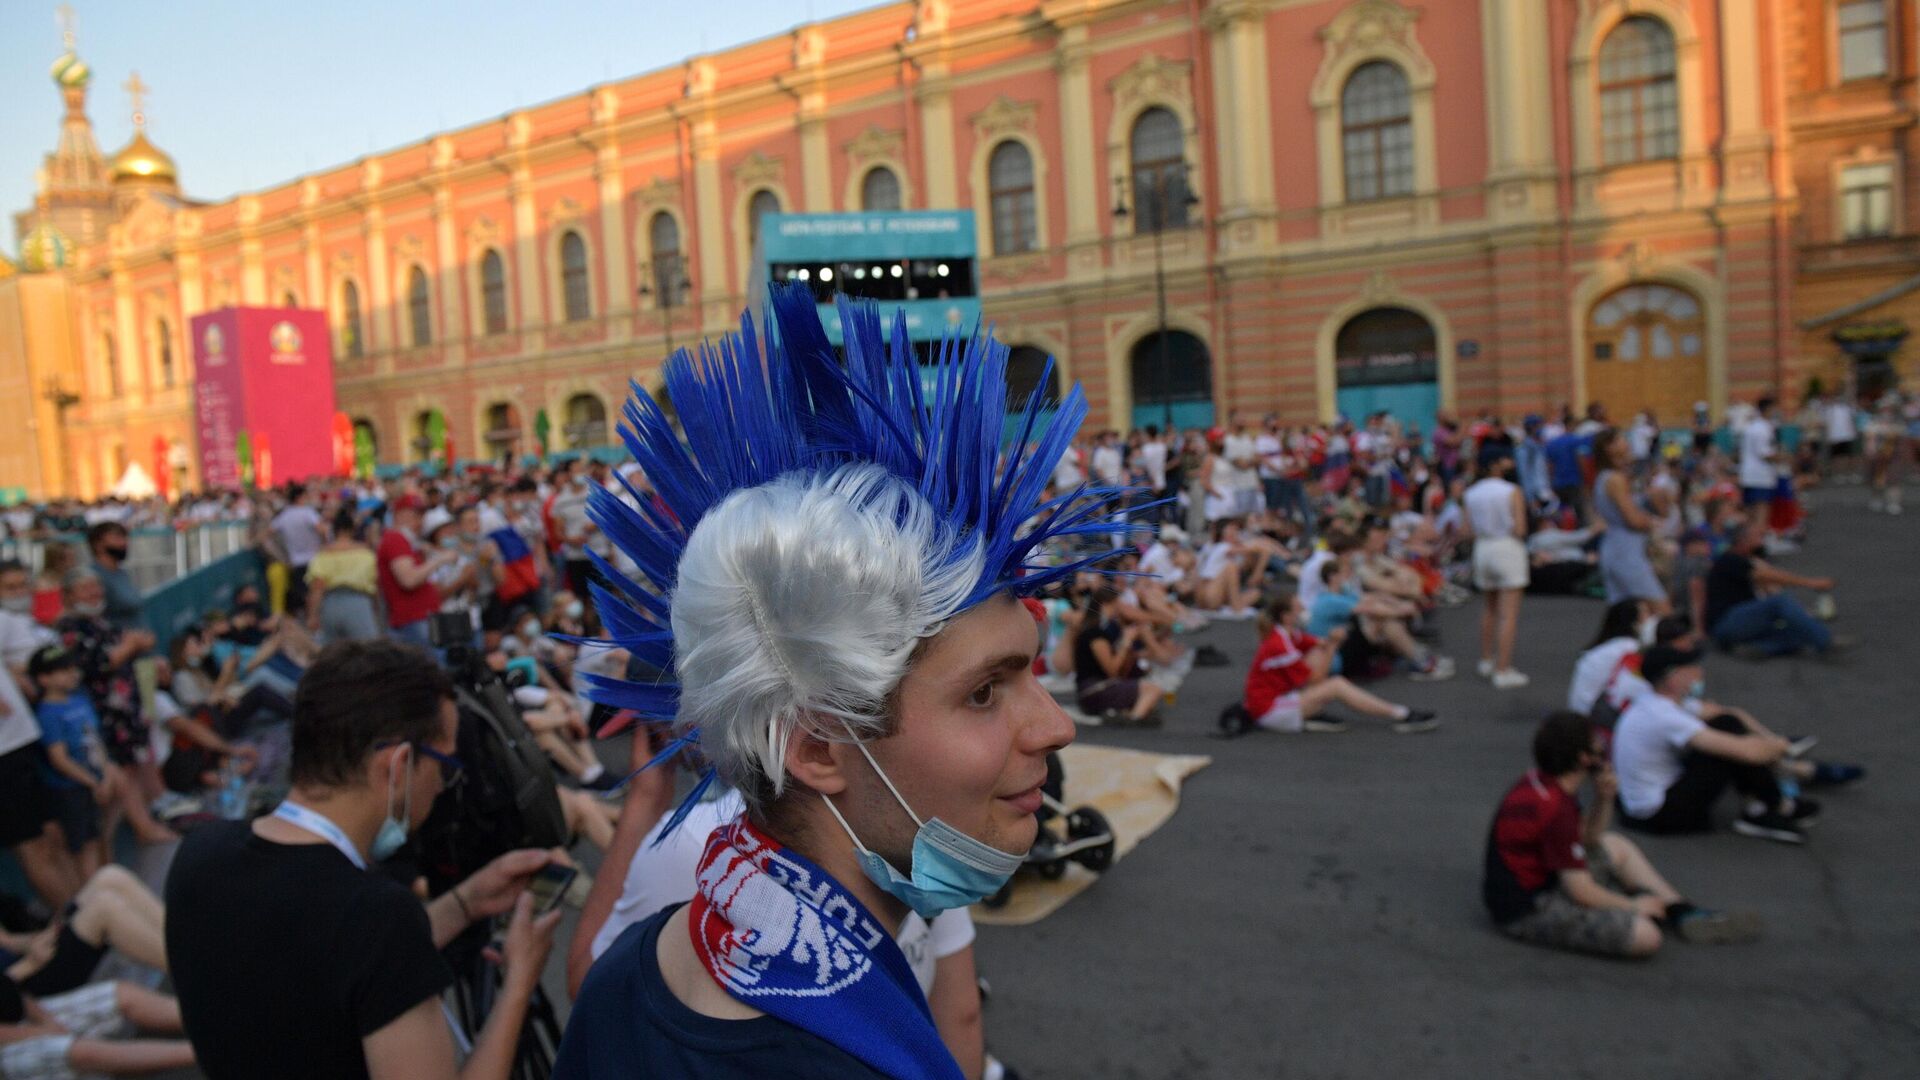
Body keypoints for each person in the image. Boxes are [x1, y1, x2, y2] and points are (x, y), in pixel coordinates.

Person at [559, 284, 1123, 1078]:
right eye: (984, 692)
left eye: (1029, 670)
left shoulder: (633, 970)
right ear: (819, 746)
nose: (1056, 726)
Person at [164, 640, 563, 1080]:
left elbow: (330, 969)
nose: (442, 785)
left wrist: (465, 902)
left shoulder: (199, 855)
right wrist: (520, 980)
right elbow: (361, 947)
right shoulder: (375, 915)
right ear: (397, 766)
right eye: (444, 765)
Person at [1483, 711, 1762, 958]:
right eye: (1594, 743)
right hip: (1527, 909)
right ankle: (1641, 904)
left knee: (1616, 845)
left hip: (1543, 878)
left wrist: (1604, 799)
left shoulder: (1544, 782)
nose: (1601, 747)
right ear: (1583, 758)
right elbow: (1580, 891)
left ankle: (1681, 911)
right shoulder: (1556, 808)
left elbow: (1588, 839)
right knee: (1646, 937)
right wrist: (1632, 906)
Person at [1612, 644, 1813, 843]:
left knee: (1727, 724)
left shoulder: (1655, 701)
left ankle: (1767, 805)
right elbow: (1747, 752)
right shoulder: (1664, 716)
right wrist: (1781, 746)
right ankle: (1770, 807)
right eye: (1690, 669)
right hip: (1658, 815)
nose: (1698, 673)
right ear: (1672, 678)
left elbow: (1730, 716)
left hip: (1643, 801)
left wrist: (1769, 742)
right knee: (1727, 749)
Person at [1241, 594, 1436, 735]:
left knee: (1317, 655)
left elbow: (1318, 644)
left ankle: (1309, 711)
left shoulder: (1289, 634)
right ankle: (1401, 713)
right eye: (1298, 607)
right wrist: (1334, 643)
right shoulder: (1280, 644)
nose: (1302, 609)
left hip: (1273, 700)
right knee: (1336, 685)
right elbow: (1317, 676)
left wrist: (1329, 643)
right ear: (1286, 617)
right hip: (1268, 710)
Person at [0, 976, 197, 1078]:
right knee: (74, 1051)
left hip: (22, 1018)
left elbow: (9, 988)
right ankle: (204, 1052)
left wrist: (46, 1021)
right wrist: (45, 1031)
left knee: (118, 994)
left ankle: (211, 1020)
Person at [1704, 519, 1838, 658]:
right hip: (1726, 622)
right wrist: (1811, 583)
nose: (1762, 542)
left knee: (1799, 631)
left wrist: (1800, 614)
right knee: (1779, 603)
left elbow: (1772, 586)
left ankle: (1757, 647)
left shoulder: (1745, 560)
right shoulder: (1730, 560)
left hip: (1740, 623)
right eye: (1757, 537)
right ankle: (1826, 642)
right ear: (1743, 540)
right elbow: (1769, 578)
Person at [1463, 455, 1529, 688]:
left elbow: (1467, 530)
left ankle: (1486, 659)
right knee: (1508, 613)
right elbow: (1520, 527)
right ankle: (1503, 669)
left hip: (1483, 548)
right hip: (1506, 546)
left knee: (1489, 608)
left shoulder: (1470, 493)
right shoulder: (1511, 490)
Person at [1591, 429, 1670, 612]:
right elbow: (1632, 520)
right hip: (1626, 551)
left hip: (1616, 548)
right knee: (1660, 608)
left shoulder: (1606, 477)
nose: (1626, 442)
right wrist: (1651, 522)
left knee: (1630, 614)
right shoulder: (1615, 480)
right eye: (1620, 439)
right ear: (1609, 448)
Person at [1071, 586, 1164, 727]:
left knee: (1147, 698)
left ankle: (1126, 714)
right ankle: (1134, 720)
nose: (1119, 610)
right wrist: (1125, 642)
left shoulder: (1099, 629)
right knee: (1152, 690)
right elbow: (1112, 670)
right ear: (1107, 604)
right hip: (1093, 689)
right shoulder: (1096, 634)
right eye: (1117, 605)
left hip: (1093, 688)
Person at [375, 493, 453, 648]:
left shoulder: (408, 541)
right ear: (399, 515)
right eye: (414, 515)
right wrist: (439, 560)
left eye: (421, 515)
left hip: (421, 618)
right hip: (413, 620)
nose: (419, 521)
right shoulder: (395, 539)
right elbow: (408, 580)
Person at [307, 506, 382, 644]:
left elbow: (317, 588)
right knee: (368, 651)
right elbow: (375, 584)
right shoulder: (365, 554)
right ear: (353, 530)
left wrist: (313, 616)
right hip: (359, 602)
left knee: (334, 655)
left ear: (334, 531)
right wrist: (375, 607)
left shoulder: (323, 555)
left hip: (330, 604)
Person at [270, 484, 328, 616]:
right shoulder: (308, 513)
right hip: (314, 559)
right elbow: (322, 530)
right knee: (315, 593)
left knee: (303, 594)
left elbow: (268, 533)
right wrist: (324, 545)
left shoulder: (284, 516)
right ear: (300, 497)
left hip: (295, 561)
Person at [83, 524, 143, 633]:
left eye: (124, 538)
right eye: (117, 538)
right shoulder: (93, 577)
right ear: (98, 545)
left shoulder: (122, 573)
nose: (124, 543)